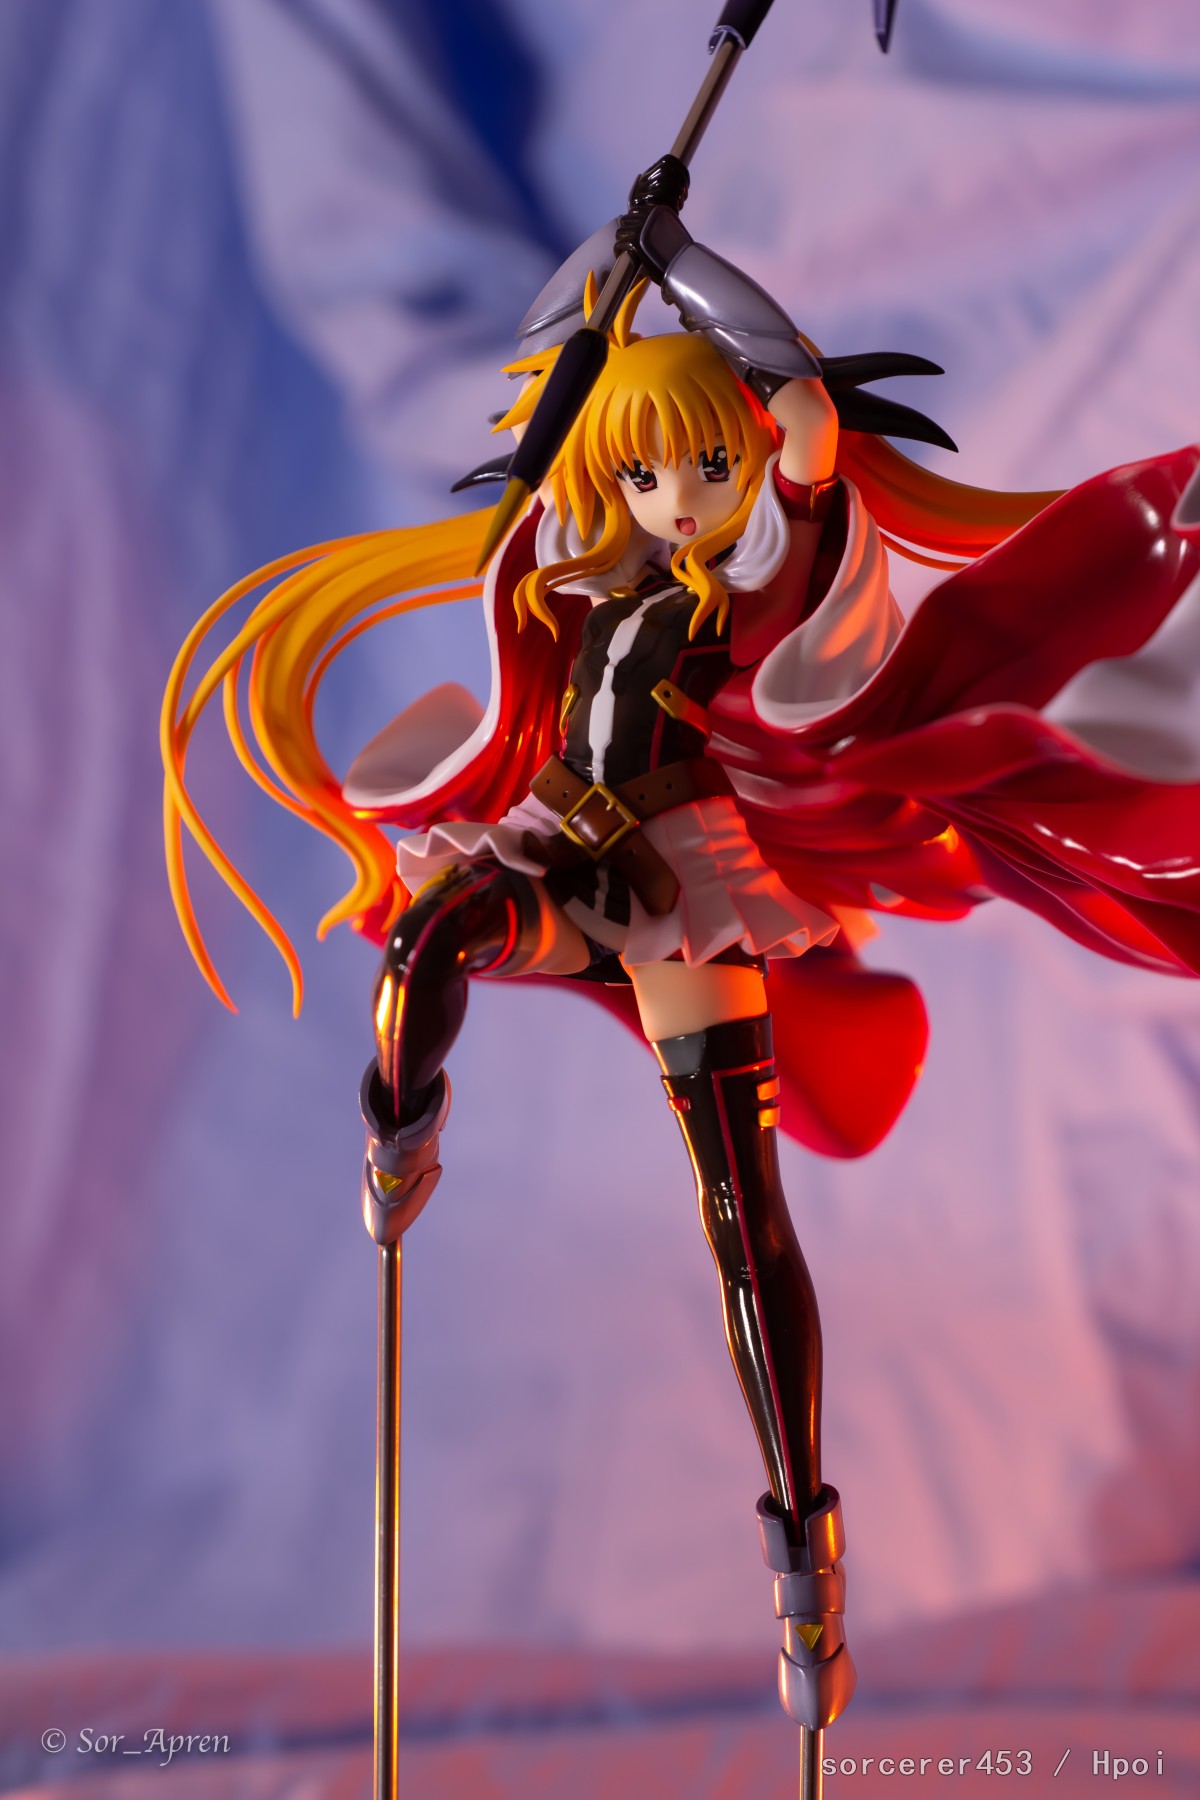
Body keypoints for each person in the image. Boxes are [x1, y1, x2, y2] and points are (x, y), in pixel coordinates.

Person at [162, 189, 1200, 1733]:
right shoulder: (579, 585)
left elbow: (799, 403)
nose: (678, 495)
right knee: (426, 940)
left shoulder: (767, 578)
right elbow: (559, 364)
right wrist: (615, 263)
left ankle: (802, 1550)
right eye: (646, 472)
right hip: (555, 857)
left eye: (705, 466)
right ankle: (399, 1146)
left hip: (681, 889)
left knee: (739, 1212)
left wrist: (682, 267)